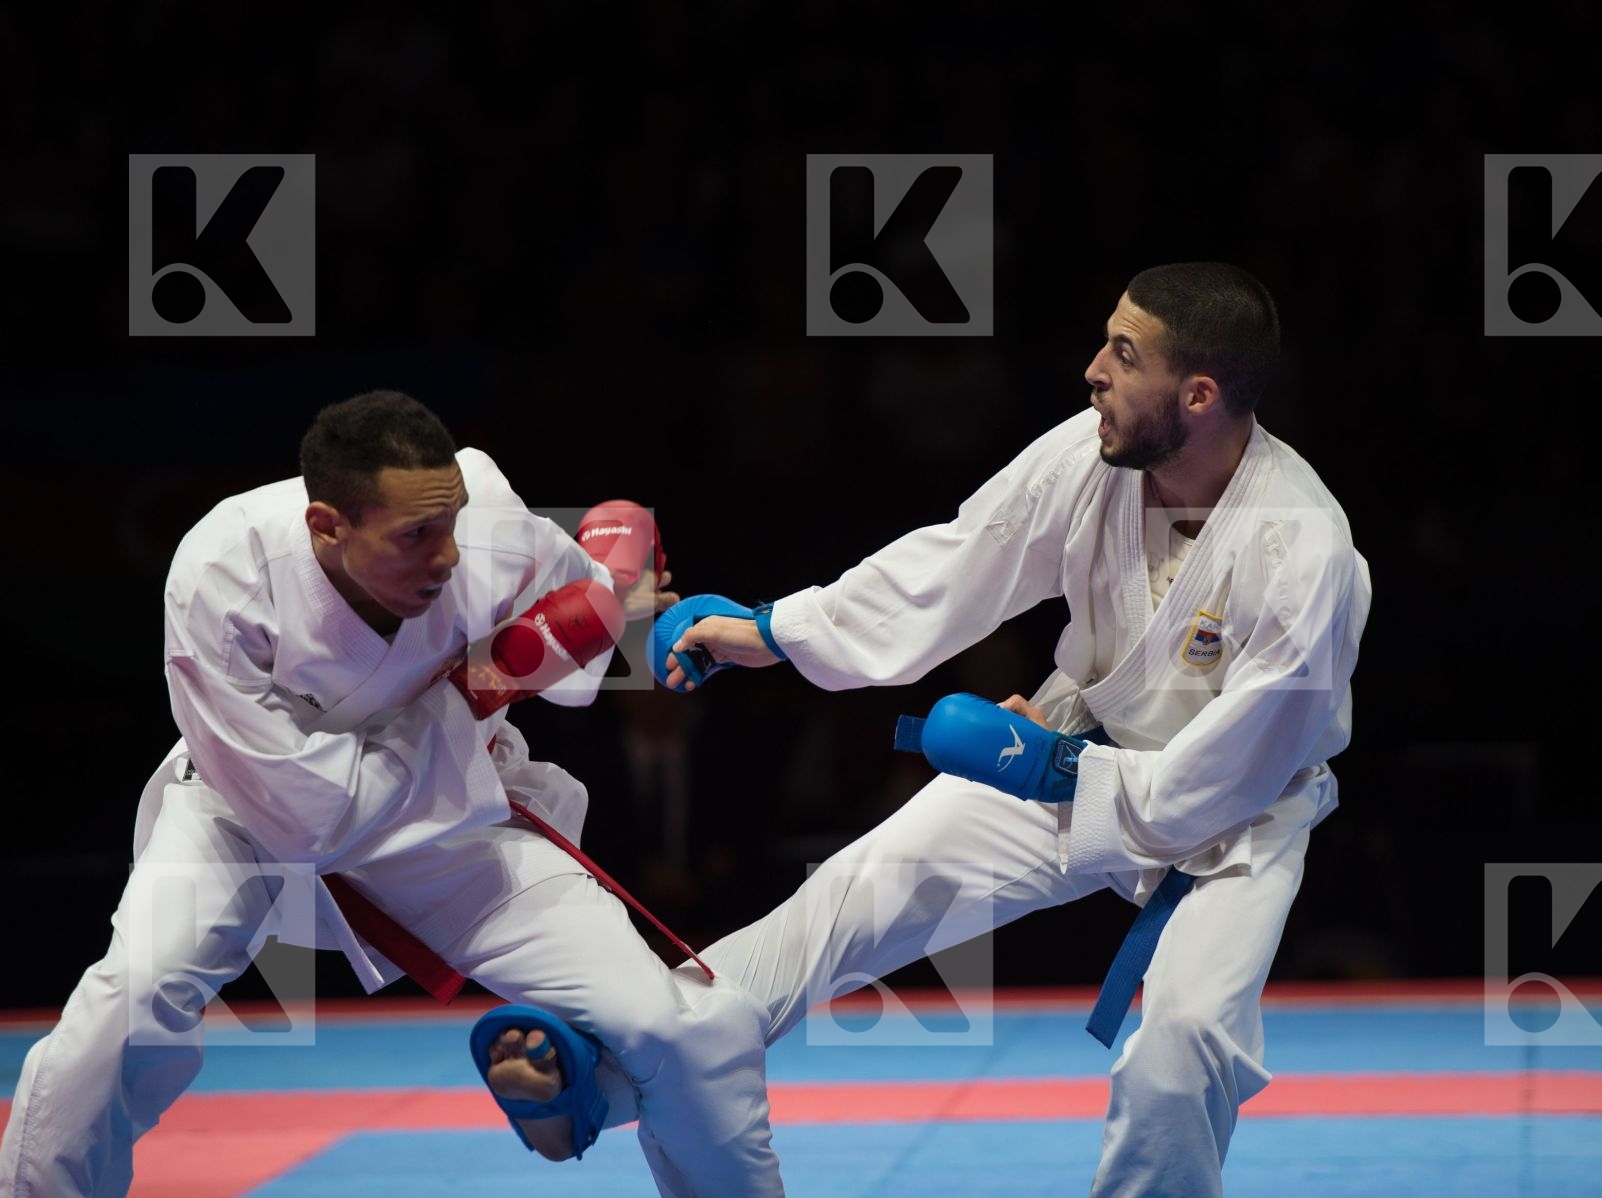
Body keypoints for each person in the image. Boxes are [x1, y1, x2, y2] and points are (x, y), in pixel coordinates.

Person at [657, 262, 1373, 1196]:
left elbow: (1238, 766)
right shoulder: (1090, 455)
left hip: (1236, 818)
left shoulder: (1306, 550)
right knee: (854, 894)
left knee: (1184, 1045)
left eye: (1124, 353)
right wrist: (775, 632)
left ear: (1199, 394)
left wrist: (1064, 771)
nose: (1093, 372)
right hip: (1076, 746)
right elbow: (962, 560)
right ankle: (622, 1045)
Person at [0, 391, 785, 1197]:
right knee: (124, 1007)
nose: (446, 555)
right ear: (326, 527)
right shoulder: (222, 575)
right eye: (414, 536)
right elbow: (309, 822)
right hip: (241, 816)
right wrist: (478, 688)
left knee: (668, 1024)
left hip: (459, 815)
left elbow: (590, 602)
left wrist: (624, 587)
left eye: (449, 522)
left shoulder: (485, 516)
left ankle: (579, 1083)